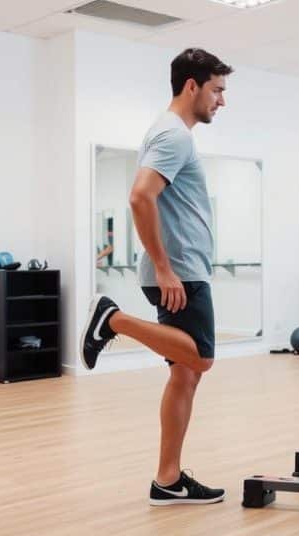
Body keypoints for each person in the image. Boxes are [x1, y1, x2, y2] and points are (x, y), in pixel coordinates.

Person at [80, 48, 233, 504]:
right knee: (201, 358)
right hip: (180, 272)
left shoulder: (169, 132)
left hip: (183, 268)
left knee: (186, 374)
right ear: (192, 86)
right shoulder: (174, 135)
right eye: (217, 90)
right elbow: (139, 198)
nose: (222, 101)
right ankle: (113, 320)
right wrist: (165, 268)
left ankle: (167, 480)